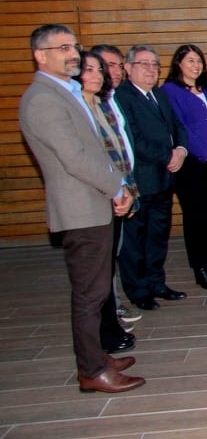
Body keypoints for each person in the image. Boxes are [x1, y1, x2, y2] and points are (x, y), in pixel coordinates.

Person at [19, 24, 144, 393]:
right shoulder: (43, 98)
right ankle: (91, 371)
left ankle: (98, 356)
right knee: (89, 295)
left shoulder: (66, 92)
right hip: (81, 206)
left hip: (94, 202)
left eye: (74, 46)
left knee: (98, 289)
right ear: (41, 56)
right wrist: (117, 187)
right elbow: (74, 158)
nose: (73, 54)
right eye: (62, 48)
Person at [73, 51, 140, 355]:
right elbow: (84, 158)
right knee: (96, 275)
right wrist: (116, 190)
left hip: (118, 189)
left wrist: (125, 189)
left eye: (101, 70)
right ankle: (103, 338)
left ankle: (110, 326)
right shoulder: (75, 108)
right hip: (94, 197)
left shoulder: (100, 105)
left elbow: (119, 152)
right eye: (91, 69)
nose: (98, 75)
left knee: (107, 264)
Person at [114, 45, 189, 311]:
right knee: (135, 240)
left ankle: (157, 283)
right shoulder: (121, 97)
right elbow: (132, 139)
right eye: (144, 64)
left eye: (155, 65)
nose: (150, 69)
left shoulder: (159, 94)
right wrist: (167, 155)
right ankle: (138, 290)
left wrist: (181, 149)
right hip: (141, 181)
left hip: (165, 180)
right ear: (128, 67)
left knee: (158, 236)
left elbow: (178, 126)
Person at [160, 44, 207, 290]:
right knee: (195, 215)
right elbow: (180, 128)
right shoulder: (170, 91)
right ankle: (199, 267)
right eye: (190, 61)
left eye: (199, 60)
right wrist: (206, 154)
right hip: (191, 160)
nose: (196, 65)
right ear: (179, 64)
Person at [91, 44, 142, 337]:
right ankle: (108, 318)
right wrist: (117, 187)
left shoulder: (112, 100)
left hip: (124, 185)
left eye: (116, 65)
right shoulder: (90, 104)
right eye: (105, 66)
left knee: (115, 251)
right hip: (105, 190)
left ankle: (114, 307)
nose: (113, 71)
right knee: (103, 259)